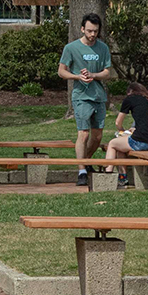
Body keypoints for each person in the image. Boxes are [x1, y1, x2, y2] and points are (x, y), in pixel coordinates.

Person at [56, 13, 112, 184]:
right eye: (89, 31)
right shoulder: (71, 48)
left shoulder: (103, 48)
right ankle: (81, 171)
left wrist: (94, 75)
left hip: (98, 96)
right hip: (81, 96)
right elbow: (61, 71)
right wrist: (77, 77)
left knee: (97, 136)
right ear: (82, 29)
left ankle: (85, 161)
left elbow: (107, 72)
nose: (92, 34)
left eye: (95, 31)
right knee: (83, 134)